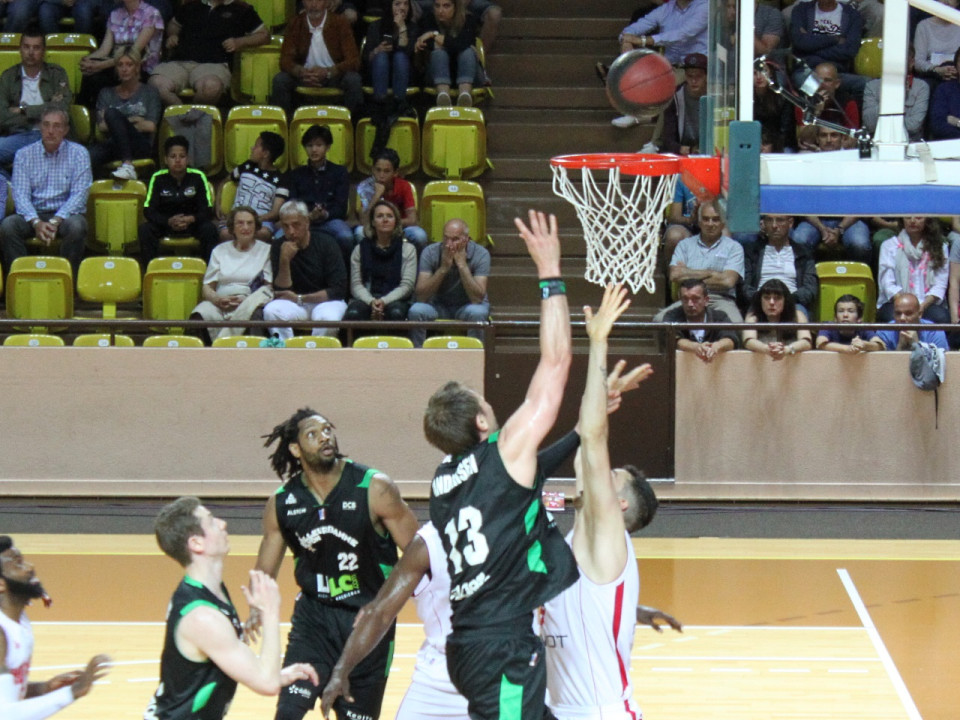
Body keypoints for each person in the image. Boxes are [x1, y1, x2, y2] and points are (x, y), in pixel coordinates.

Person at [319, 294, 679, 720]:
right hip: (463, 671)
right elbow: (379, 610)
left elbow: (567, 456)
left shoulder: (463, 494)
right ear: (482, 426)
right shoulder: (463, 528)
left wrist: (626, 608)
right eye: (487, 407)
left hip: (496, 669)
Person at [423, 209, 579, 720]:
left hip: (470, 645)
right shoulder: (501, 455)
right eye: (485, 403)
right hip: (502, 648)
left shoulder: (442, 483)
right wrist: (550, 273)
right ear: (484, 428)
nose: (493, 405)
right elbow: (554, 365)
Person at [254, 408, 419, 720]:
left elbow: (418, 552)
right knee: (287, 713)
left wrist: (388, 604)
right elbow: (265, 569)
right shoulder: (283, 502)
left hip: (366, 623)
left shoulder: (374, 488)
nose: (325, 437)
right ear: (295, 449)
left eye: (328, 429)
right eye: (313, 435)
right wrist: (253, 610)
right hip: (313, 621)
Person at [145, 497, 319, 720]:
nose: (222, 524)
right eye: (211, 522)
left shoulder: (208, 591)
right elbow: (267, 685)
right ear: (196, 543)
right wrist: (270, 612)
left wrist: (277, 674)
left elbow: (231, 656)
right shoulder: (202, 617)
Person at [0, 535, 111, 720]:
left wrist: (43, 688)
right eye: (18, 564)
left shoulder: (19, 620)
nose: (30, 567)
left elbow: (8, 694)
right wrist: (72, 692)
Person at [0, 105, 90, 277]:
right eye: (46, 125)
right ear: (40, 127)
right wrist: (36, 222)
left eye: (57, 126)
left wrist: (56, 221)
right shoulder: (23, 154)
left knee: (78, 226)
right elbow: (20, 194)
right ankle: (20, 278)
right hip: (33, 213)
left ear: (65, 130)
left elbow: (79, 195)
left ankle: (67, 280)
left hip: (65, 215)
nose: (50, 131)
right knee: (8, 226)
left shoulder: (79, 154)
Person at [608, 0, 708, 127]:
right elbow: (632, 29)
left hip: (696, 66)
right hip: (670, 64)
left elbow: (682, 34)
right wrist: (626, 41)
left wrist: (643, 40)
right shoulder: (666, 9)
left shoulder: (705, 6)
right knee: (643, 69)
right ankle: (641, 113)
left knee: (668, 83)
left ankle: (654, 137)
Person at [149, 0, 268, 106]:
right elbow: (174, 25)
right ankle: (185, 116)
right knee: (156, 85)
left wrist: (239, 42)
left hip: (215, 65)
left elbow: (264, 35)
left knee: (211, 87)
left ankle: (188, 119)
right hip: (179, 62)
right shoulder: (191, 4)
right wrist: (173, 35)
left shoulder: (242, 8)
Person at [261, 199, 348, 340]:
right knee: (271, 311)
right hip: (294, 304)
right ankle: (287, 354)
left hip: (326, 301)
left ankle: (316, 357)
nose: (291, 232)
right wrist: (284, 260)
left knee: (328, 318)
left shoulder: (327, 243)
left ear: (307, 222)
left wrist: (300, 298)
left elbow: (338, 289)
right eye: (286, 226)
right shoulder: (279, 245)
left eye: (296, 225)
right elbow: (281, 289)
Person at [190, 205, 274, 344]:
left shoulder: (266, 250)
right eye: (240, 223)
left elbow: (268, 286)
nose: (245, 227)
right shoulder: (219, 250)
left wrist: (245, 301)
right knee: (200, 314)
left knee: (256, 314)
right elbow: (207, 287)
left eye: (250, 223)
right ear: (232, 227)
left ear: (256, 226)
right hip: (221, 302)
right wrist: (217, 299)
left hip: (250, 301)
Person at [406, 217, 490, 346]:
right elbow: (421, 296)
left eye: (455, 239)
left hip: (467, 305)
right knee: (417, 310)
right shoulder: (430, 252)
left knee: (479, 312)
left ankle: (476, 357)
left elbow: (477, 298)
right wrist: (443, 268)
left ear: (467, 239)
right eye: (446, 238)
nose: (448, 244)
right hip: (438, 305)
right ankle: (417, 357)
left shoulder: (481, 254)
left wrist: (462, 265)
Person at [281, 124, 355, 270]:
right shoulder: (296, 174)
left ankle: (345, 276)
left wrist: (324, 214)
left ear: (327, 147)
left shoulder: (340, 172)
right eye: (309, 145)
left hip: (330, 220)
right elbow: (292, 204)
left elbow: (340, 207)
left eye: (319, 145)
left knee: (346, 237)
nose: (314, 150)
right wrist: (307, 216)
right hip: (300, 221)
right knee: (279, 237)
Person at [272, 0, 363, 117]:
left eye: (318, 0)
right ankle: (285, 127)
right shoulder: (295, 23)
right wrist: (301, 72)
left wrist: (328, 72)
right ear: (303, 3)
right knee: (280, 80)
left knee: (353, 80)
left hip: (334, 76)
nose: (313, 5)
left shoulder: (340, 23)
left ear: (326, 3)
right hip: (305, 76)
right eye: (309, 0)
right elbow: (285, 60)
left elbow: (354, 60)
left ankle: (353, 128)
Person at [658, 199, 744, 323]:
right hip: (689, 298)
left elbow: (728, 281)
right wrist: (711, 273)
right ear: (699, 222)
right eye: (706, 219)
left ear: (723, 223)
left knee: (737, 323)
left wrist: (688, 272)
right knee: (659, 320)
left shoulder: (734, 247)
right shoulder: (684, 245)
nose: (710, 223)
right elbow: (674, 275)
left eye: (715, 219)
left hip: (720, 299)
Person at [138, 135, 219, 265]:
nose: (177, 160)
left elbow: (207, 209)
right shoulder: (157, 178)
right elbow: (149, 210)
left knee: (209, 229)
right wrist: (168, 221)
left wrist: (191, 219)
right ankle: (150, 270)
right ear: (165, 159)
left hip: (192, 224)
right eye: (173, 156)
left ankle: (208, 272)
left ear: (188, 159)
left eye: (182, 156)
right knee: (145, 230)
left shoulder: (198, 177)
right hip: (166, 225)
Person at [0, 30, 71, 171]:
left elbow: (62, 109)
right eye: (26, 47)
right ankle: (13, 187)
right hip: (17, 134)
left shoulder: (57, 74)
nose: (31, 52)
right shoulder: (8, 76)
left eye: (36, 47)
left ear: (44, 51)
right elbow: (2, 116)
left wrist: (23, 110)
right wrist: (42, 113)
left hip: (48, 134)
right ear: (20, 49)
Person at [88, 48, 162, 180]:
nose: (124, 69)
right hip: (114, 143)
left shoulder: (150, 92)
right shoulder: (106, 93)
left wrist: (117, 122)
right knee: (89, 155)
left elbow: (150, 126)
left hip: (139, 143)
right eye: (120, 65)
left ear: (137, 67)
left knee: (110, 113)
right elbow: (102, 127)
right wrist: (134, 120)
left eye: (129, 64)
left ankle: (127, 165)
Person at [76, 0, 165, 108]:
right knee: (88, 72)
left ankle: (87, 112)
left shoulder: (151, 13)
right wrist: (89, 61)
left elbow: (133, 53)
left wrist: (99, 66)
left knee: (96, 79)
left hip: (141, 67)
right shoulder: (115, 14)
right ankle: (83, 113)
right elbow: (104, 50)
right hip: (116, 65)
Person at [344, 199, 417, 323]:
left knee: (396, 313)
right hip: (366, 298)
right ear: (372, 222)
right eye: (379, 216)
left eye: (389, 216)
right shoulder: (360, 249)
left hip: (396, 299)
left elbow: (407, 286)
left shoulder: (408, 249)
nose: (385, 220)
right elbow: (356, 285)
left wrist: (384, 301)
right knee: (354, 313)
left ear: (396, 221)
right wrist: (371, 301)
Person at [217, 131, 288, 243]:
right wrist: (218, 207)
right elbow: (224, 183)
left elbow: (275, 213)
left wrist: (255, 219)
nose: (252, 148)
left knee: (263, 234)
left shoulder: (281, 180)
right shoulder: (246, 166)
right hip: (236, 216)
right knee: (225, 234)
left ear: (265, 153)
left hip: (261, 221)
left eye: (256, 146)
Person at [742, 214, 818, 318]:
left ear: (790, 223)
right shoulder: (752, 252)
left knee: (800, 316)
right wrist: (762, 298)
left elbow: (810, 289)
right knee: (751, 318)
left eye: (780, 220)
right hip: (760, 303)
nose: (774, 225)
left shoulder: (803, 253)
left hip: (793, 303)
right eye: (769, 220)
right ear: (763, 223)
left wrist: (785, 299)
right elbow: (745, 286)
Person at [876, 217, 950, 324]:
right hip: (897, 302)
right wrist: (906, 305)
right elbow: (887, 284)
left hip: (927, 304)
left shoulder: (940, 247)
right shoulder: (889, 246)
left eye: (918, 217)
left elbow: (940, 285)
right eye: (908, 217)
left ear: (927, 220)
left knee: (942, 318)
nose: (913, 221)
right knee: (888, 317)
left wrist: (922, 306)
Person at [354, 147, 427, 252]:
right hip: (375, 227)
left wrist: (389, 223)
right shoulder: (365, 187)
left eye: (386, 171)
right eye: (378, 170)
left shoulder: (404, 186)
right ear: (373, 169)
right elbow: (364, 221)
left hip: (399, 227)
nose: (381, 176)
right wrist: (377, 195)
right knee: (360, 232)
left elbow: (412, 220)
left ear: (395, 172)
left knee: (420, 235)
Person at [789, 0, 864, 93]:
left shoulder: (852, 15)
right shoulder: (801, 10)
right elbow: (800, 43)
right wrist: (835, 39)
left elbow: (849, 50)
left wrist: (810, 47)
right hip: (808, 71)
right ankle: (815, 107)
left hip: (838, 73)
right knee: (803, 82)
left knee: (869, 85)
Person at [416, 0, 482, 106]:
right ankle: (443, 96)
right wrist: (450, 43)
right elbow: (426, 44)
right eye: (437, 6)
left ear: (456, 7)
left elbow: (463, 43)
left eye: (446, 6)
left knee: (467, 52)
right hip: (436, 75)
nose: (440, 11)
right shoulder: (428, 19)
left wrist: (434, 35)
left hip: (467, 72)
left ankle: (465, 95)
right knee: (439, 54)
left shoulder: (468, 19)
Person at [662, 278, 739, 361]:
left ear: (706, 300)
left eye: (695, 299)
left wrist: (716, 346)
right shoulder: (672, 316)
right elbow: (672, 340)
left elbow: (730, 340)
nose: (690, 304)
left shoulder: (719, 316)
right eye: (685, 299)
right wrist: (695, 347)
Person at [363, 0, 419, 114]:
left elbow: (409, 53)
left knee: (400, 57)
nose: (402, 8)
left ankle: (399, 105)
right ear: (389, 6)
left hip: (404, 75)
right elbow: (365, 58)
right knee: (381, 57)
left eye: (406, 4)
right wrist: (376, 50)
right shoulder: (375, 26)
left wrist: (402, 27)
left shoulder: (413, 28)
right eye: (397, 4)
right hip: (378, 73)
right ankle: (379, 106)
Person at [863, 47, 929, 143]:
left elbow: (914, 126)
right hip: (877, 142)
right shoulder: (871, 86)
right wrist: (891, 99)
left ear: (912, 62)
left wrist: (884, 122)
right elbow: (869, 124)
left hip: (911, 143)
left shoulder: (921, 87)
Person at [742, 278, 814, 359]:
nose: (771, 302)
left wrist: (787, 350)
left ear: (785, 301)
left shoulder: (798, 315)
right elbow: (748, 341)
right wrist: (766, 349)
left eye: (777, 298)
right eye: (766, 298)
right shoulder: (753, 316)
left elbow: (806, 342)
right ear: (760, 300)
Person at [660, 53, 707, 156]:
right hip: (682, 151)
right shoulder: (675, 97)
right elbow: (668, 137)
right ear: (685, 75)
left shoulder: (715, 98)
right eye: (690, 76)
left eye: (698, 76)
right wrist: (683, 149)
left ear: (706, 76)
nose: (694, 81)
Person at [876, 291, 950, 350]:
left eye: (908, 313)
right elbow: (884, 367)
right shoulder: (884, 332)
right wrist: (900, 348)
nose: (902, 318)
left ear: (920, 314)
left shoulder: (935, 332)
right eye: (898, 313)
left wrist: (917, 346)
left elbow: (940, 365)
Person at [816, 294, 884, 353]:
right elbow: (820, 344)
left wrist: (864, 345)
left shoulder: (864, 328)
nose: (845, 315)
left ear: (859, 318)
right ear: (835, 317)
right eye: (841, 311)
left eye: (851, 311)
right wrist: (847, 349)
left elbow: (880, 346)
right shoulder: (828, 326)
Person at [930, 47, 960, 139]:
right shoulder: (944, 90)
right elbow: (937, 124)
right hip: (950, 146)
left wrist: (955, 121)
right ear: (956, 66)